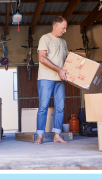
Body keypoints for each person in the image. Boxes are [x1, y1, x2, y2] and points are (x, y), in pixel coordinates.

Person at [34, 16, 69, 145]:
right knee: (43, 107)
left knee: (60, 108)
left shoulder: (63, 43)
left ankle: (57, 136)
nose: (65, 30)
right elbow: (42, 58)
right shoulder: (45, 38)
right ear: (56, 26)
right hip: (45, 78)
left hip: (60, 79)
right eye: (63, 28)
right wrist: (59, 70)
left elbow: (66, 60)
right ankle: (40, 136)